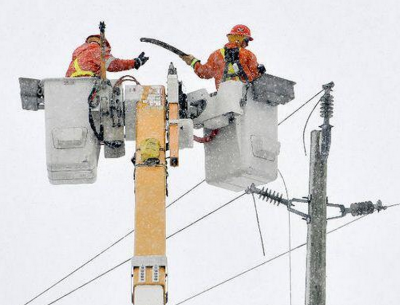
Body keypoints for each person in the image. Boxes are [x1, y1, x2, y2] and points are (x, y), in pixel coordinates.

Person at [180, 25, 264, 89]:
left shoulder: (217, 55)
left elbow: (204, 73)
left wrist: (193, 61)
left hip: (223, 100)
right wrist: (260, 71)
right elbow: (255, 76)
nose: (247, 44)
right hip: (244, 97)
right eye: (247, 41)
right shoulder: (248, 54)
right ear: (241, 39)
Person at [66, 35, 149, 77]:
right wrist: (135, 63)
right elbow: (113, 64)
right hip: (88, 87)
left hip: (72, 90)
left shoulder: (79, 55)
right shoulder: (95, 50)